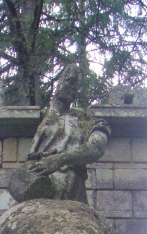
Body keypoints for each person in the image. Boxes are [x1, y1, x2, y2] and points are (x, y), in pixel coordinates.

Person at [8, 63, 110, 204]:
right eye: (70, 81)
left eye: (77, 85)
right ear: (59, 82)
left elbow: (96, 147)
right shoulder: (43, 117)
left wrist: (59, 160)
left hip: (71, 186)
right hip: (37, 185)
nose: (74, 88)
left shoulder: (85, 119)